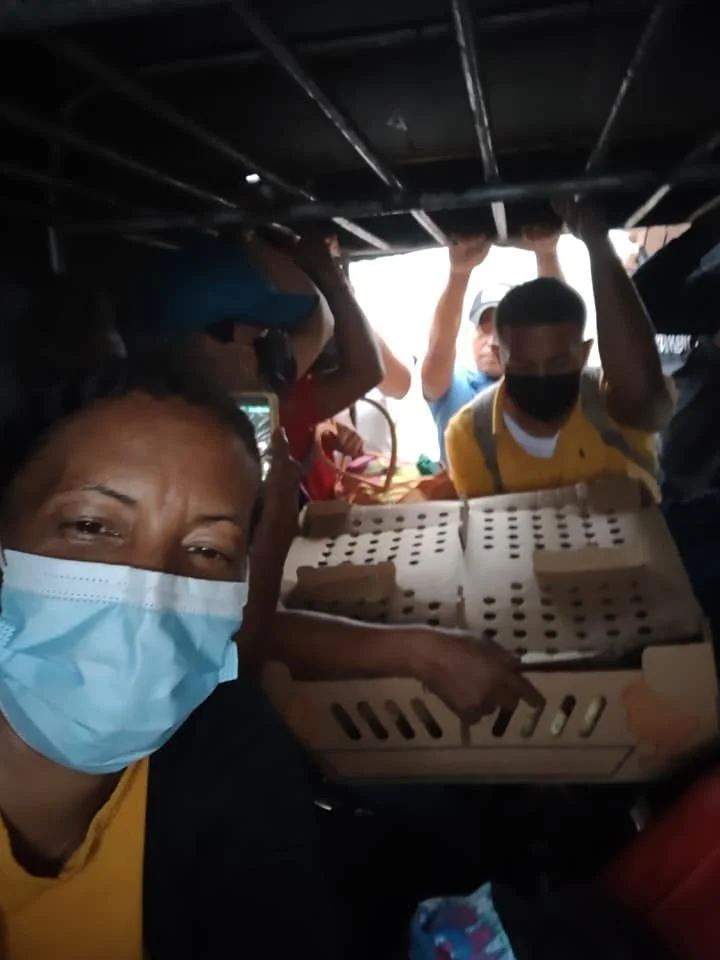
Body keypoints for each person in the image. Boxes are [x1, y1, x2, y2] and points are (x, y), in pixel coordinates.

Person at [445, 201, 674, 501]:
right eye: (525, 365)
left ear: (583, 353)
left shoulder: (610, 402)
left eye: (557, 362)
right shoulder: (470, 434)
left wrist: (597, 244)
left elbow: (645, 398)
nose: (541, 376)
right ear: (501, 358)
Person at [422, 228, 563, 461]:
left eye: (504, 330)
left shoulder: (536, 384)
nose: (494, 340)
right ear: (472, 335)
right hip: (463, 497)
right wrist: (459, 272)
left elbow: (560, 337)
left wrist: (547, 254)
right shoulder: (453, 387)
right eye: (484, 328)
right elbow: (439, 351)